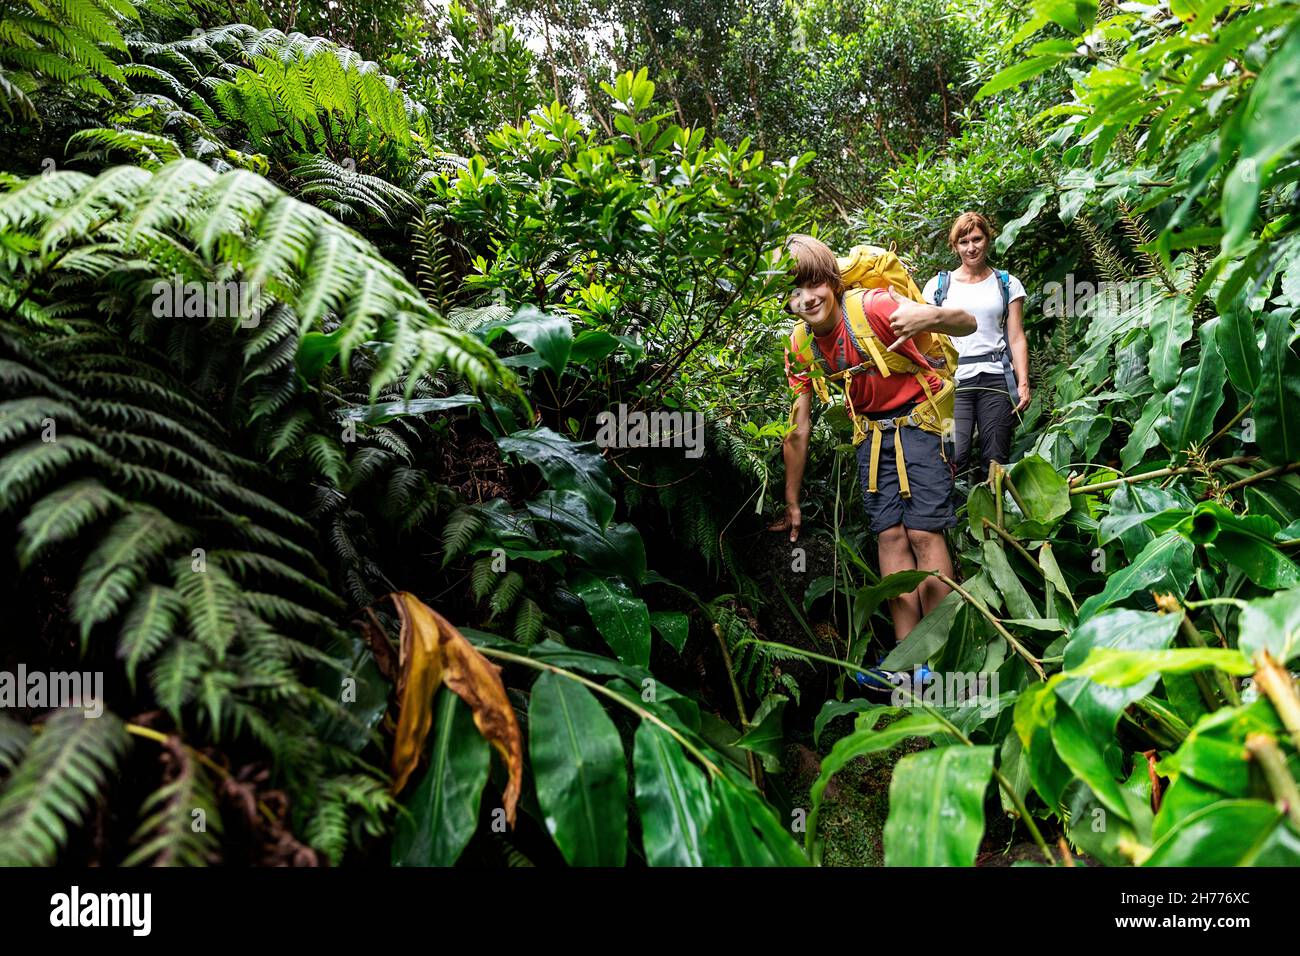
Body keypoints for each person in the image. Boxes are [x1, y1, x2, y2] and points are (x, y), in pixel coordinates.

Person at [767, 234, 976, 668]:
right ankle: (907, 663)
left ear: (832, 280)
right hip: (871, 434)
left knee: (923, 533)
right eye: (794, 291)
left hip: (923, 419)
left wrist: (927, 316)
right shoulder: (800, 345)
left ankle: (942, 657)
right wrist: (791, 499)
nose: (806, 299)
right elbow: (798, 426)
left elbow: (967, 322)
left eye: (813, 285)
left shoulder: (873, 306)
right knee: (890, 538)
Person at [922, 212, 1029, 479]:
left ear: (987, 239)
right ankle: (950, 519)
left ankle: (993, 518)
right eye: (964, 241)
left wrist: (1023, 382)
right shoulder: (938, 287)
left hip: (996, 379)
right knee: (951, 454)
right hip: (951, 384)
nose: (971, 247)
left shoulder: (1006, 283)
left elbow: (1016, 336)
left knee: (995, 459)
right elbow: (926, 340)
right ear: (954, 246)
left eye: (977, 239)